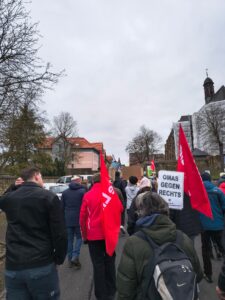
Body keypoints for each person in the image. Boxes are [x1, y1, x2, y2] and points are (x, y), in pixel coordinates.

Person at [117, 191, 203, 300]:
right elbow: (198, 275)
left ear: (141, 212)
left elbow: (125, 289)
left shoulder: (133, 243)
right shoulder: (183, 238)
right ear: (166, 210)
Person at [0, 167, 67, 299]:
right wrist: (59, 257)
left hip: (13, 267)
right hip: (41, 264)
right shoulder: (49, 197)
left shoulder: (10, 198)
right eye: (41, 177)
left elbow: (2, 200)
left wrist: (13, 187)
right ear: (36, 176)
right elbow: (60, 233)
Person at [80, 173, 116, 300]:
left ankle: (101, 294)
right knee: (110, 262)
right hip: (109, 235)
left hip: (93, 235)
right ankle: (112, 289)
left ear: (92, 182)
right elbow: (120, 209)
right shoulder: (111, 194)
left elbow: (83, 217)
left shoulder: (88, 195)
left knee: (98, 264)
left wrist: (84, 236)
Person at [200, 172, 225, 283]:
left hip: (204, 226)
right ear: (210, 180)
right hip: (218, 225)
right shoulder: (218, 191)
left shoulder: (198, 192)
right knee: (223, 248)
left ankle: (208, 274)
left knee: (205, 250)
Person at [61, 175, 86, 269]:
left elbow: (62, 207)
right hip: (79, 218)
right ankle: (75, 256)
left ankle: (70, 259)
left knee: (69, 240)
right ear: (78, 181)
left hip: (67, 219)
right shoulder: (82, 191)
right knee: (79, 238)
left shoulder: (65, 192)